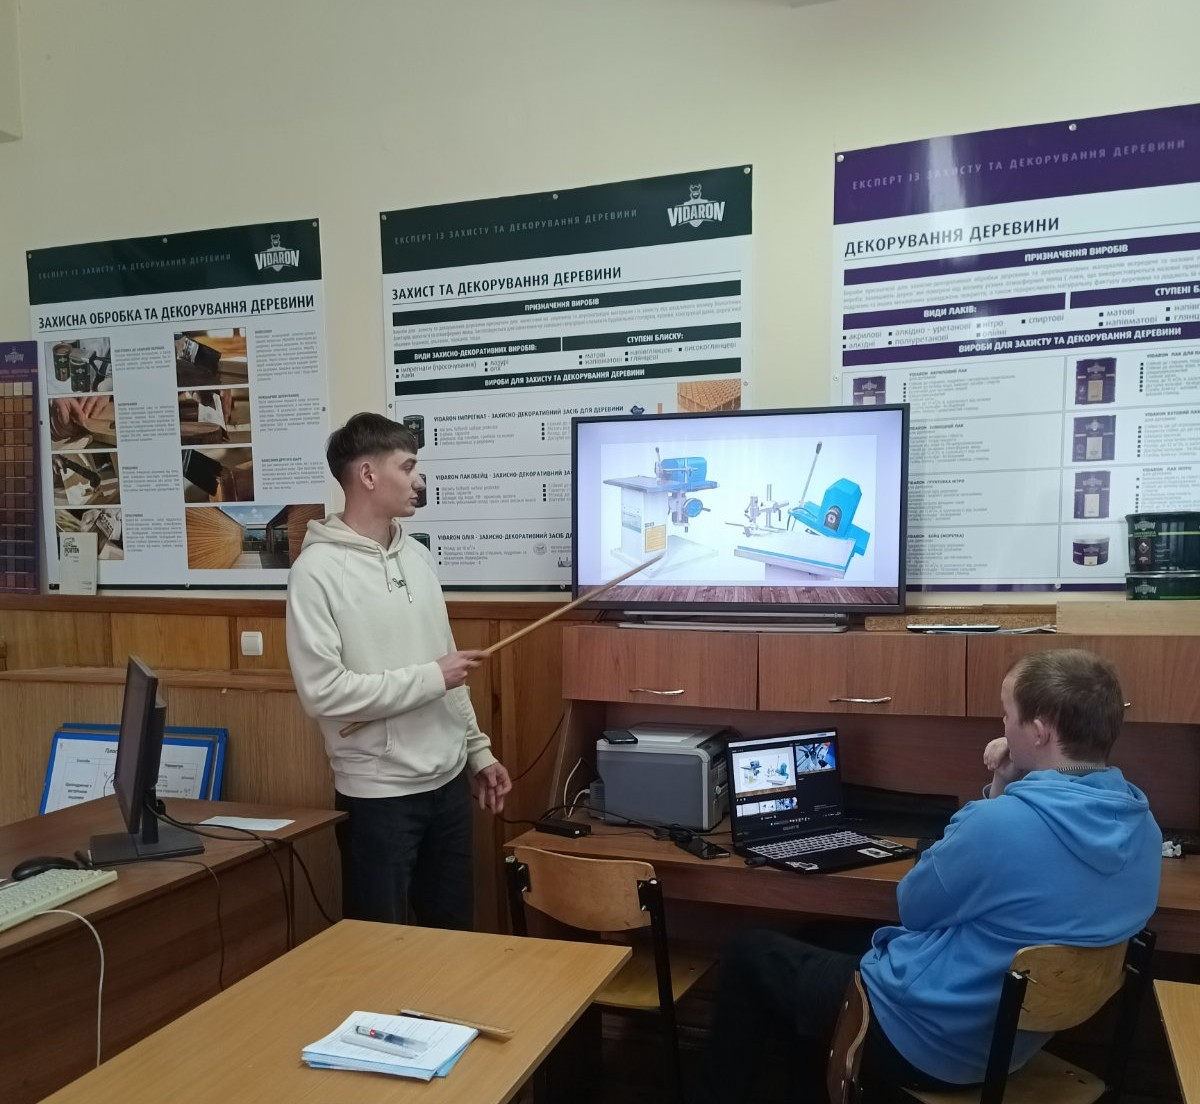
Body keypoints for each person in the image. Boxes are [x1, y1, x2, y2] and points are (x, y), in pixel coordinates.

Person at [704, 648, 1161, 1101]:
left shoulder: (998, 825)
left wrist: (998, 798)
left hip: (924, 1042)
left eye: (1007, 714)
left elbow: (914, 908)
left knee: (748, 952)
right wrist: (1005, 783)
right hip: (1011, 1041)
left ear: (1039, 732)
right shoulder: (1142, 826)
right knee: (820, 935)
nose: (1003, 726)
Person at [285, 412, 512, 929]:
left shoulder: (417, 557)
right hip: (379, 798)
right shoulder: (315, 573)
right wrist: (432, 677)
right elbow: (323, 693)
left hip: (449, 785)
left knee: (454, 942)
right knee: (379, 949)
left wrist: (478, 752)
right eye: (408, 467)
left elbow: (448, 664)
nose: (419, 480)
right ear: (368, 475)